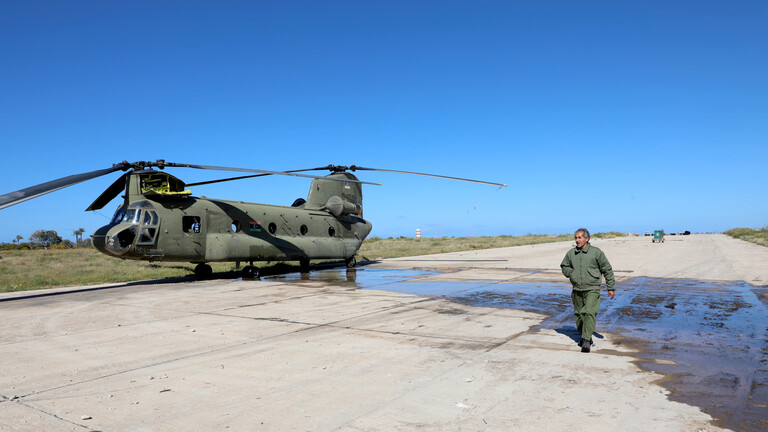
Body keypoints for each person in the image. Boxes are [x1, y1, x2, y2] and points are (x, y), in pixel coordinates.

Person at [560, 228, 616, 353]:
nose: (577, 240)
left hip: (592, 288)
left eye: (579, 237)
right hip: (577, 289)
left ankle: (586, 340)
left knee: (589, 313)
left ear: (587, 239)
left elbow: (607, 269)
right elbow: (564, 266)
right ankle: (586, 336)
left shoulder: (596, 252)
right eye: (575, 238)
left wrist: (610, 287)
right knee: (579, 314)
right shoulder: (571, 253)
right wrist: (571, 273)